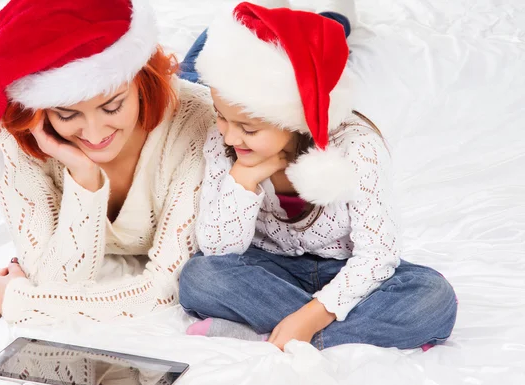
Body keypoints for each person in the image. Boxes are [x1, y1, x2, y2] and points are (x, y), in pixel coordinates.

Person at [177, 0, 458, 351]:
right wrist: (244, 181)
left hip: (346, 269)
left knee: (432, 298)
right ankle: (338, 332)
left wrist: (314, 314)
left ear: (295, 120)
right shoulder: (226, 141)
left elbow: (376, 256)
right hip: (270, 270)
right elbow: (218, 250)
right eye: (221, 117)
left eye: (248, 128)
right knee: (199, 277)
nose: (230, 137)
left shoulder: (358, 147)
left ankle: (270, 335)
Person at [0, 0, 214, 324]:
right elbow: (55, 282)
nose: (94, 134)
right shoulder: (17, 139)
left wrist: (20, 303)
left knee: (238, 49)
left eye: (112, 107)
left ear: (140, 80)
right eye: (67, 114)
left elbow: (167, 289)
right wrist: (84, 178)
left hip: (189, 94)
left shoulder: (198, 123)